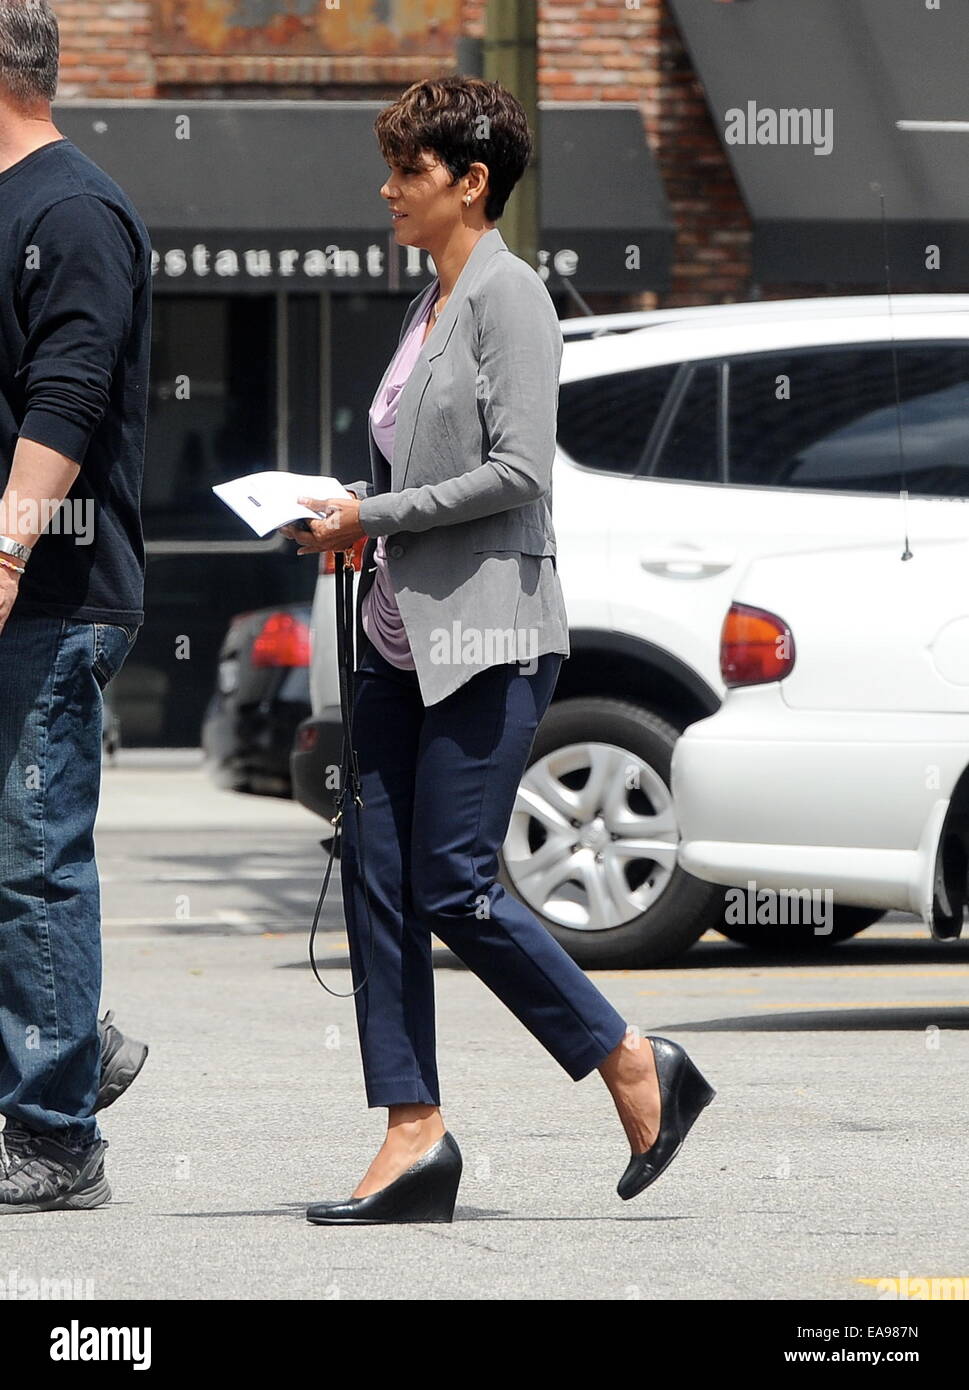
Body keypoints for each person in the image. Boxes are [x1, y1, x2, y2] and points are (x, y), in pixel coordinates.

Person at [282, 76, 715, 1225]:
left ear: (470, 184)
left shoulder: (510, 297)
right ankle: (413, 1131)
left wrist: (370, 517)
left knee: (456, 884)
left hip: (486, 640)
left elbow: (522, 472)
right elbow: (415, 470)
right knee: (379, 880)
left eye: (408, 172)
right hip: (397, 639)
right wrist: (343, 512)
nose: (387, 190)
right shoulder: (430, 302)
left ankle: (632, 1060)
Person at [0, 0, 150, 1213]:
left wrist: (2, 563)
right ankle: (75, 1045)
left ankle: (57, 1137)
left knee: (34, 860)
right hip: (20, 587)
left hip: (52, 592)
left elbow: (67, 402)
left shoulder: (72, 211)